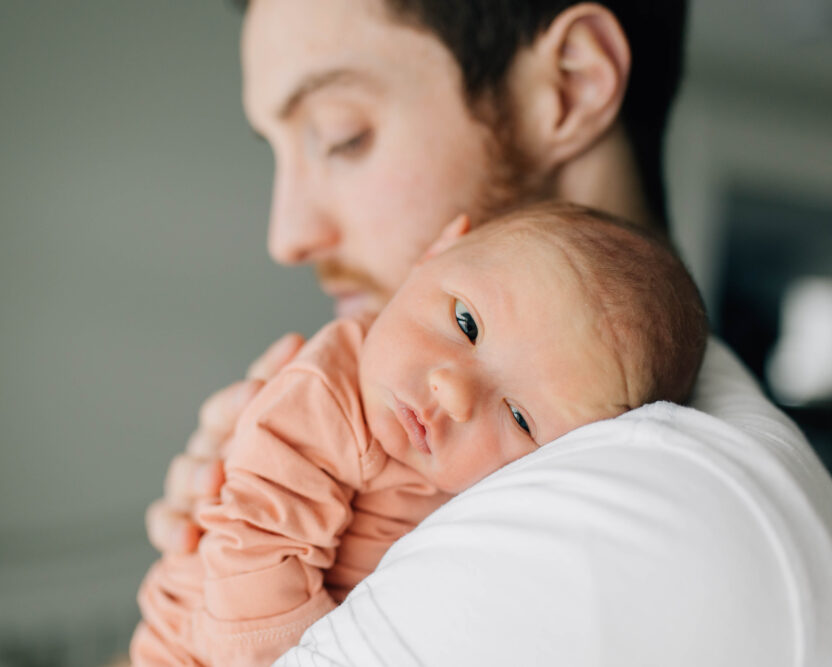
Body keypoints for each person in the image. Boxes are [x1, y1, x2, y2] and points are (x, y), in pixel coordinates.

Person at [138, 0, 832, 664]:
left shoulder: (638, 501)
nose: (286, 235)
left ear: (571, 83)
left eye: (340, 135)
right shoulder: (643, 416)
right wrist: (212, 543)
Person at [132, 202, 709, 666]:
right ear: (435, 252)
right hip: (206, 639)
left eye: (520, 419)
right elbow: (257, 545)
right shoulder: (330, 393)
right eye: (466, 322)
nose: (453, 393)